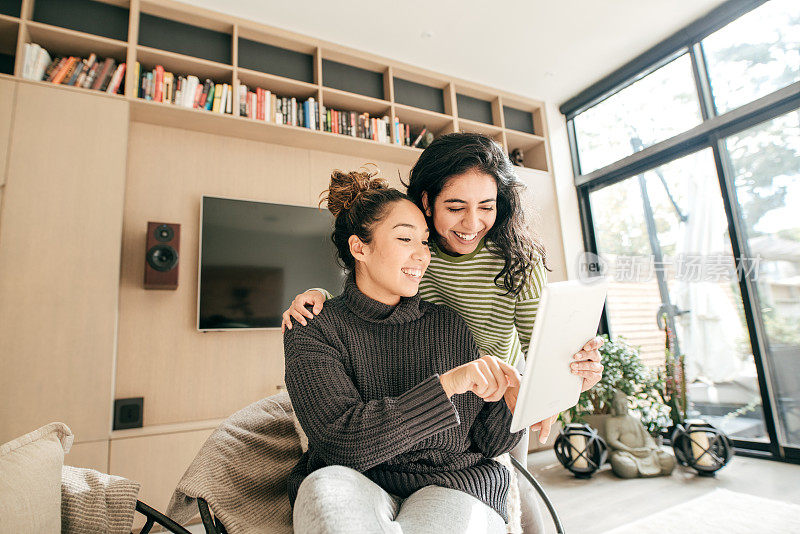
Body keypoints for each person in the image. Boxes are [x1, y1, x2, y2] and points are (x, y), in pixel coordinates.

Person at [284, 169, 527, 533]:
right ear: (359, 248)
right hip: (350, 477)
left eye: (425, 242)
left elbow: (488, 444)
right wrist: (445, 386)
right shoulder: (314, 325)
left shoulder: (448, 323)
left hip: (453, 481)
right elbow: (340, 442)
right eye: (404, 239)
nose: (422, 255)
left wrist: (513, 405)